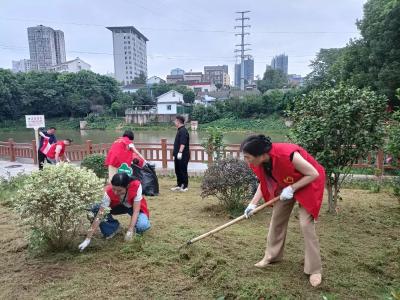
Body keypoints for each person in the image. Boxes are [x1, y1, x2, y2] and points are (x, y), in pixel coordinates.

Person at [241, 135, 325, 287]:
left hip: (309, 182)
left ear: (260, 154)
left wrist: (292, 188)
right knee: (277, 218)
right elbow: (264, 182)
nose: (246, 161)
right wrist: (252, 204)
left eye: (248, 157)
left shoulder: (288, 154)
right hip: (287, 182)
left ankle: (314, 269)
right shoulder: (262, 162)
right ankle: (272, 256)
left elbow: (313, 173)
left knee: (306, 224)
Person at [78, 173, 151, 251]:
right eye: (114, 189)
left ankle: (136, 230)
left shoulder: (136, 186)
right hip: (116, 207)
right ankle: (113, 229)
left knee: (142, 225)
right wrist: (88, 239)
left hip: (133, 207)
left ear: (127, 186)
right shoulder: (108, 192)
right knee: (95, 208)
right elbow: (100, 215)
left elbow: (136, 211)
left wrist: (130, 230)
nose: (115, 192)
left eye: (119, 190)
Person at [171, 115, 190, 192]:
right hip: (177, 155)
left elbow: (183, 143)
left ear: (178, 121)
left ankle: (185, 186)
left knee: (183, 170)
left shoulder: (183, 131)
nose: (174, 122)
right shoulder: (179, 130)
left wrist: (180, 152)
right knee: (177, 170)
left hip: (182, 155)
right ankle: (179, 185)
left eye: (175, 121)